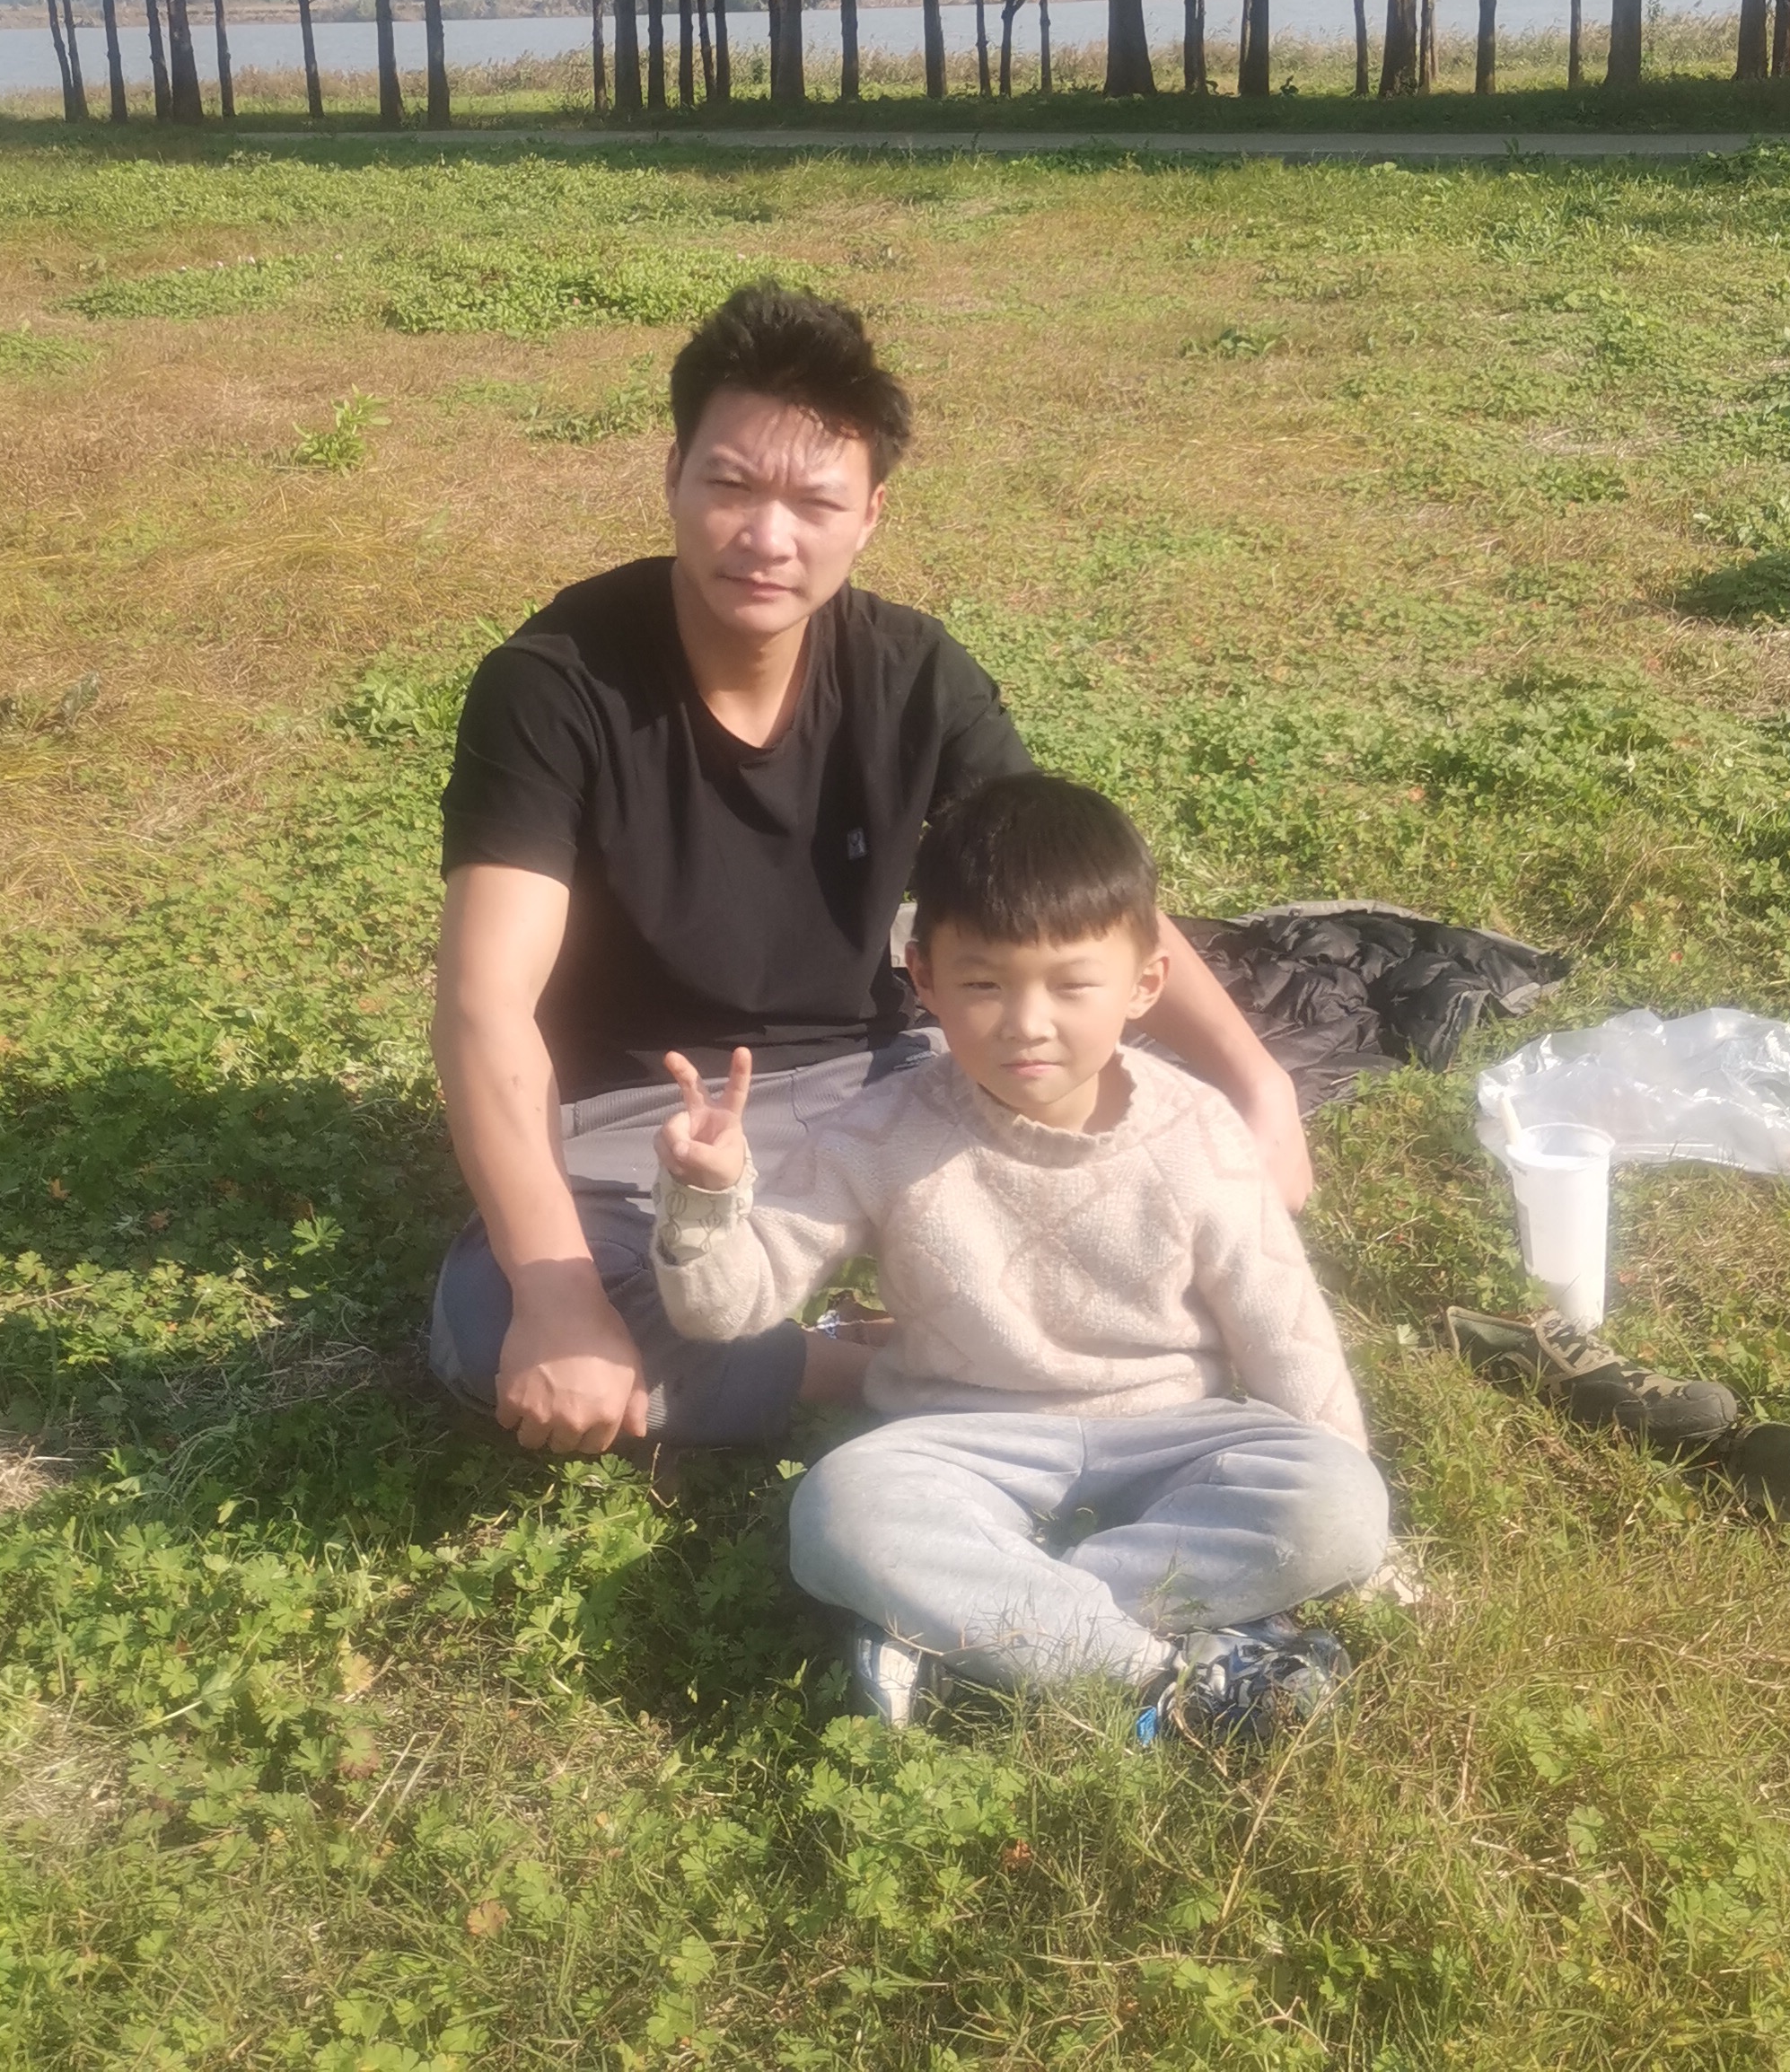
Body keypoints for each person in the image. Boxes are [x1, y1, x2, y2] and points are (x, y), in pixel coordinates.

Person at [426, 283, 1323, 1460]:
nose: (767, 538)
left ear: (870, 515)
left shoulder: (913, 673)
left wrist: (1258, 1082)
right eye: (731, 486)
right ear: (675, 475)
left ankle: (961, 1349)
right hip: (643, 1116)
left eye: (814, 501)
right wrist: (555, 1296)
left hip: (882, 1080)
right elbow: (483, 1005)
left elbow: (1072, 903)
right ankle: (888, 1368)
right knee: (489, 1330)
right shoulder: (555, 685)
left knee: (1140, 1168)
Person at [648, 773, 1391, 1734]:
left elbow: (1280, 1323)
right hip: (960, 1439)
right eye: (984, 983)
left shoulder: (1199, 1131)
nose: (1027, 1023)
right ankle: (1159, 1668)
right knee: (841, 1512)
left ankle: (980, 1624)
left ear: (1145, 983)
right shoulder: (876, 1133)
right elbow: (725, 1312)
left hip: (1175, 1435)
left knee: (1336, 1500)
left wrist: (1349, 1501)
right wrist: (706, 1198)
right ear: (923, 978)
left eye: (1073, 984)